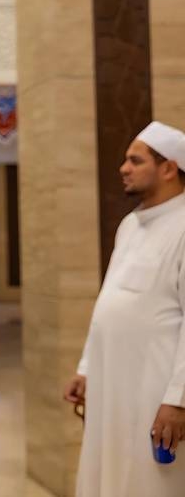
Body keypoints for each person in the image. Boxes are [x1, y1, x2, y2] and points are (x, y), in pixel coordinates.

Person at [64, 121, 185, 496]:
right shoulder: (130, 225)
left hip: (155, 391)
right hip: (111, 385)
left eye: (136, 160)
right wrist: (87, 368)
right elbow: (108, 302)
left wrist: (177, 400)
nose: (123, 168)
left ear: (169, 168)